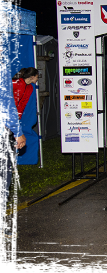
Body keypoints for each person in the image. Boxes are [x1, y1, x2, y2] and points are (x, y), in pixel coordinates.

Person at [0, 37, 26, 243]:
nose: (1, 49)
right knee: (2, 182)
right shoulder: (1, 71)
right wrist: (17, 131)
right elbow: (6, 105)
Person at [10, 67, 38, 172]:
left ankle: (12, 163)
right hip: (6, 116)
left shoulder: (30, 88)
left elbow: (23, 103)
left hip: (15, 118)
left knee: (12, 139)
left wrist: (18, 115)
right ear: (32, 77)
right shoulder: (15, 83)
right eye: (37, 76)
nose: (37, 78)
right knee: (6, 138)